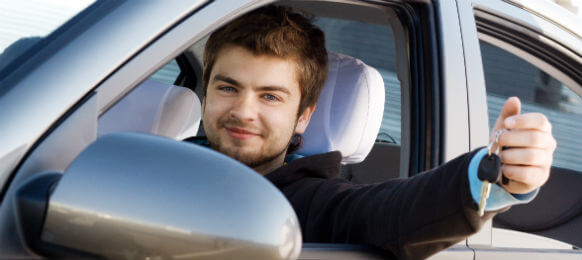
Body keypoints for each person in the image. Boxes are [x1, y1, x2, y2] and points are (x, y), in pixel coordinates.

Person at [189, 5, 557, 259]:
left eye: (270, 96)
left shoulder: (314, 205)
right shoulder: (157, 161)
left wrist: (494, 176)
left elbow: (392, 213)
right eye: (228, 88)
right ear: (205, 92)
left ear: (303, 116)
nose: (243, 111)